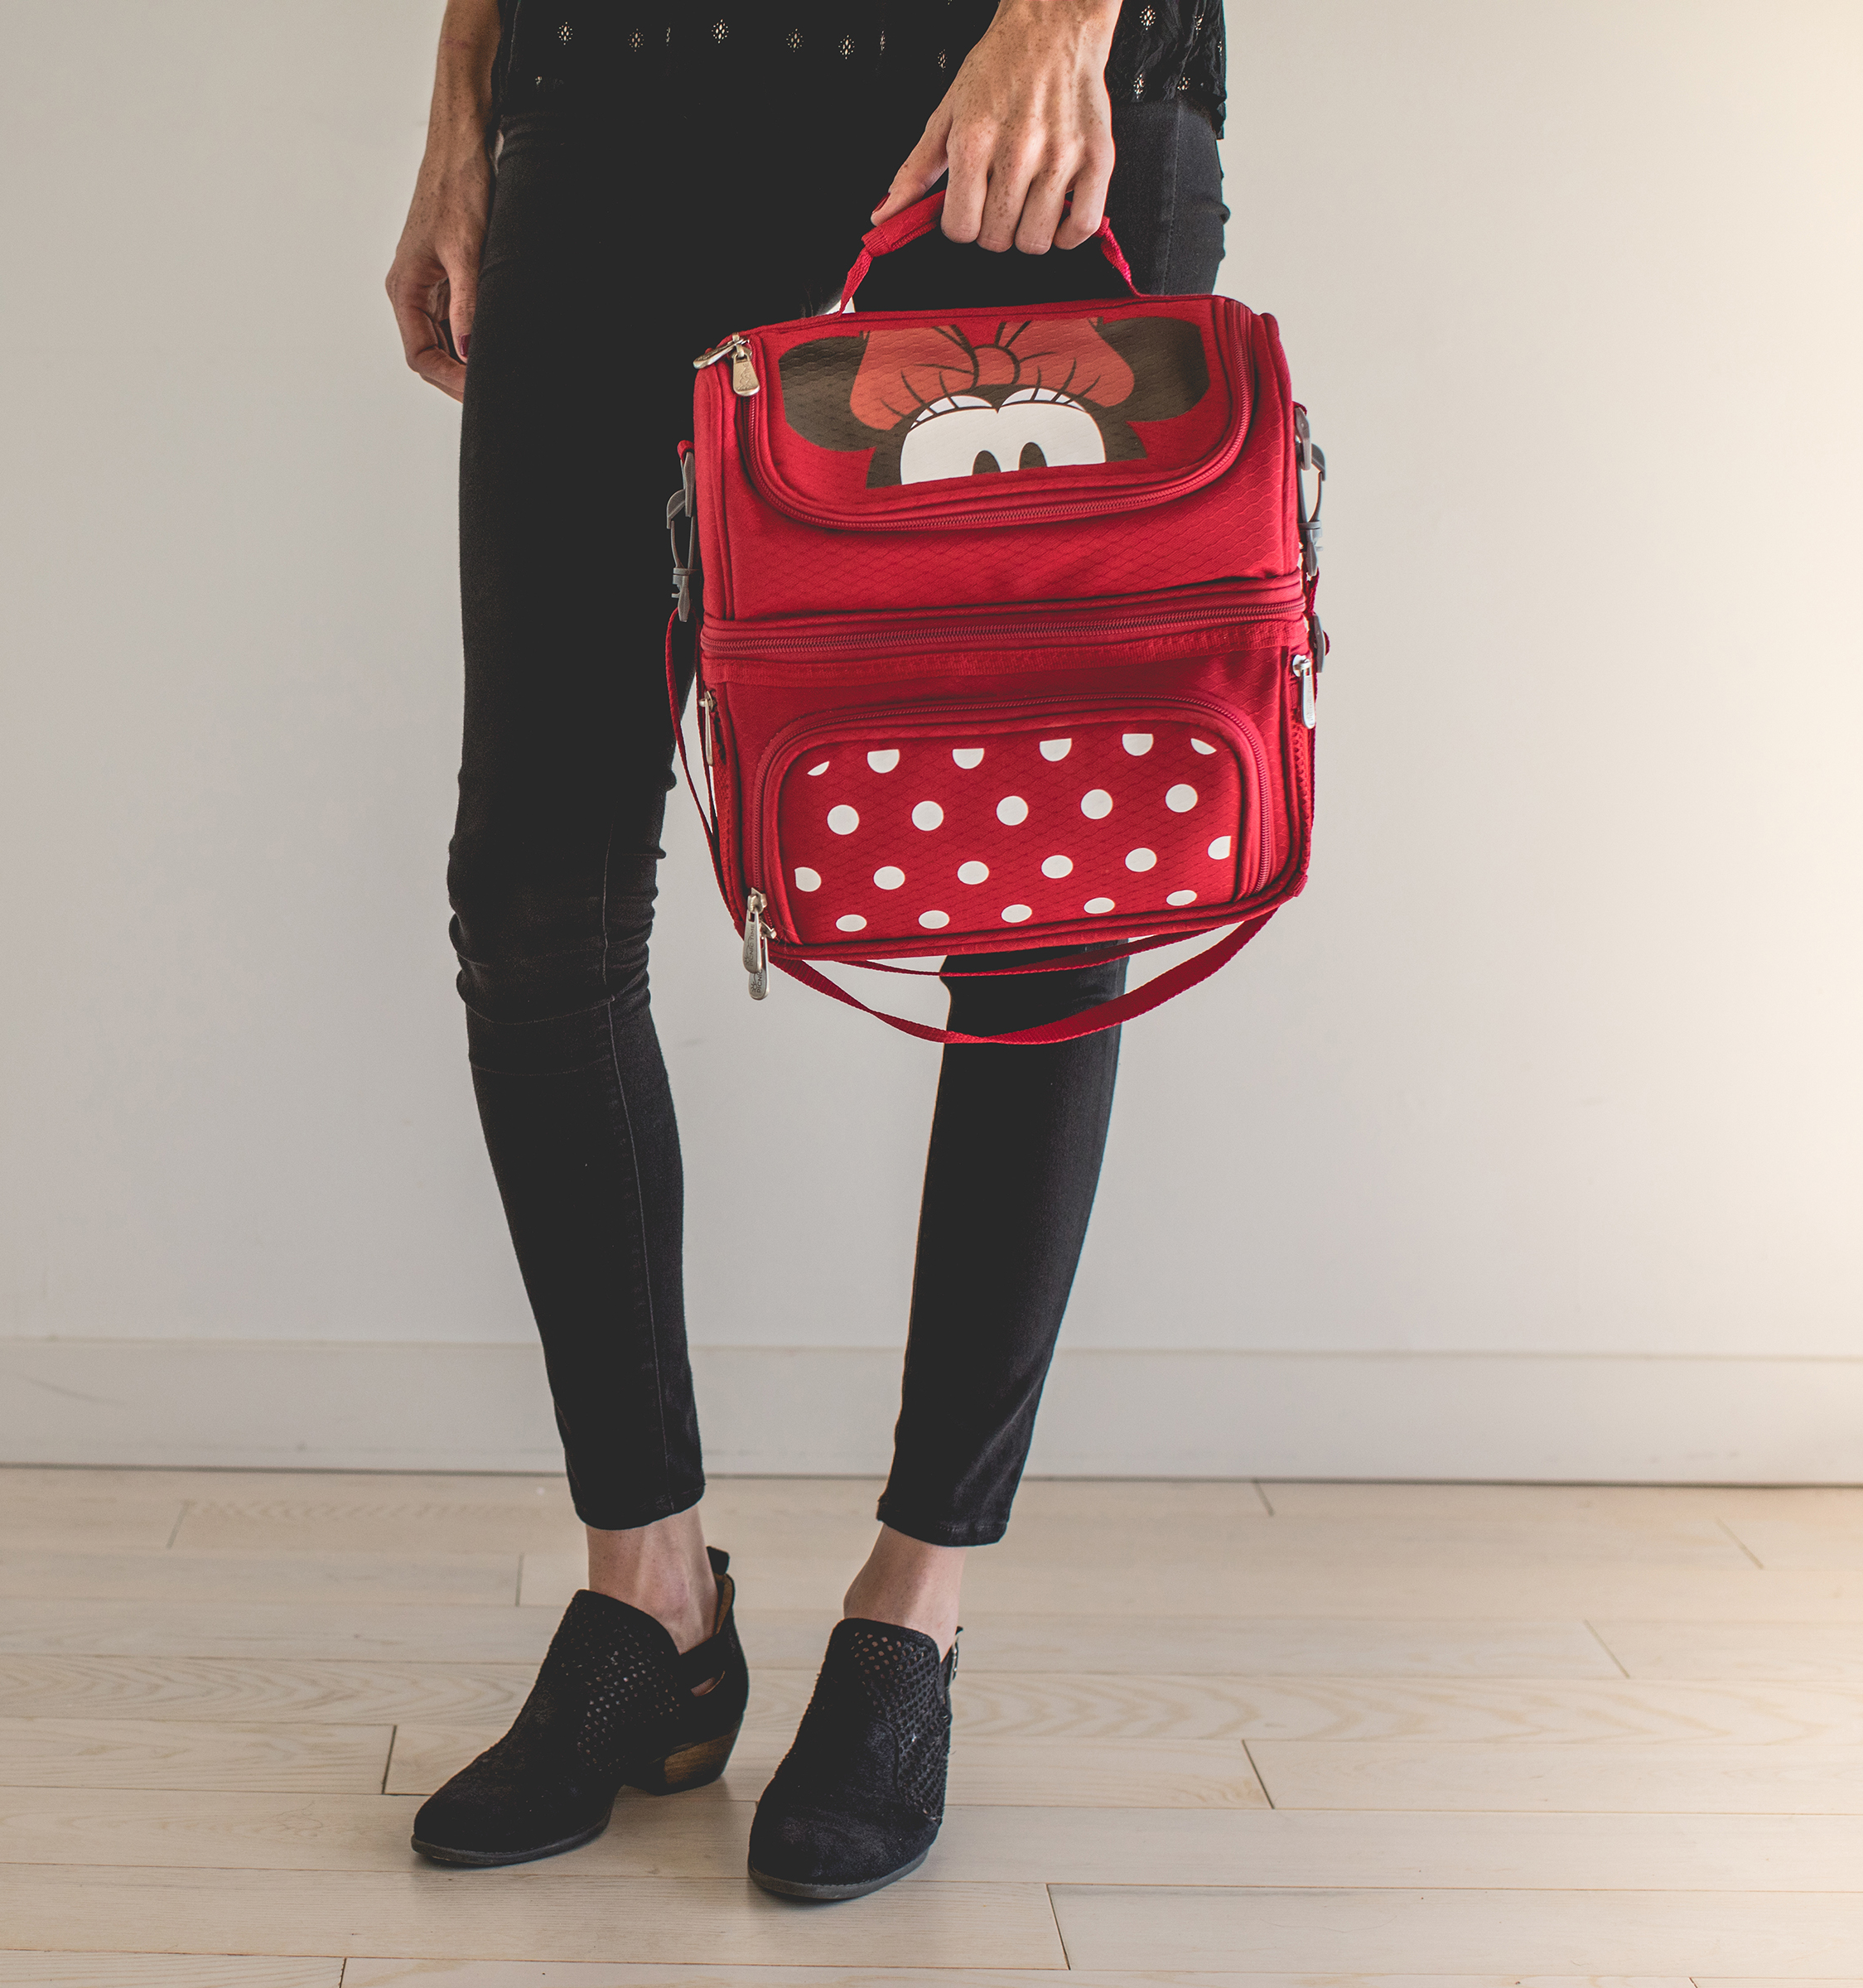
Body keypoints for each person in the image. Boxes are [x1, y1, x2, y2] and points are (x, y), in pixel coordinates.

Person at [381, 0, 1228, 1903]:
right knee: (536, 886)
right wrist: (464, 102)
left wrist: (1060, 18)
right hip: (607, 85)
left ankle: (913, 1610)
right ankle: (651, 1600)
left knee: (1042, 890)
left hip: (999, 94)